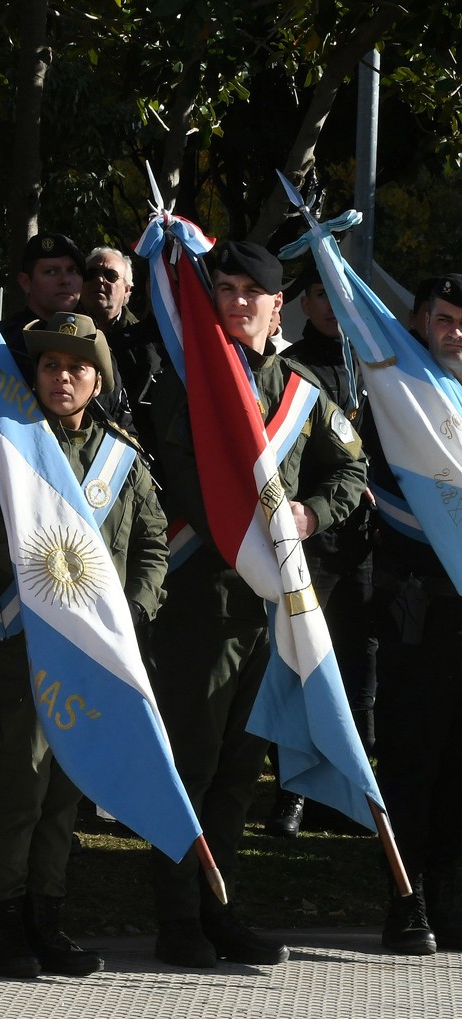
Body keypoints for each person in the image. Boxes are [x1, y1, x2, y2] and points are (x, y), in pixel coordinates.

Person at [146, 241, 366, 969]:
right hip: (204, 599)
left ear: (278, 305)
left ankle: (220, 908)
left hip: (273, 608)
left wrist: (309, 514)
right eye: (226, 288)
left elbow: (349, 464)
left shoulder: (302, 389)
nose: (237, 302)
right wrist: (247, 537)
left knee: (240, 768)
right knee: (191, 761)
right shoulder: (190, 384)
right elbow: (183, 481)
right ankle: (177, 916)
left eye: (252, 292)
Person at [0, 312, 167, 978]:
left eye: (76, 367)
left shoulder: (121, 455)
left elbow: (153, 546)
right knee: (18, 786)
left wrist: (129, 611)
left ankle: (47, 920)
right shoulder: (6, 443)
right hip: (21, 642)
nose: (61, 376)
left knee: (64, 793)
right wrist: (57, 573)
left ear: (96, 378)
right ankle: (2, 924)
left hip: (94, 654)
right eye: (48, 365)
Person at [364, 273, 462, 956]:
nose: (452, 333)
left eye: (461, 321)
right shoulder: (396, 397)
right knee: (411, 760)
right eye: (440, 318)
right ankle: (406, 899)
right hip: (417, 607)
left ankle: (451, 895)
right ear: (417, 322)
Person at [271, 268, 377, 837]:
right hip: (307, 534)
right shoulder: (291, 369)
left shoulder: (375, 364)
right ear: (303, 305)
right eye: (320, 295)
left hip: (361, 541)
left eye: (339, 295)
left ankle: (355, 794)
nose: (332, 306)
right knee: (301, 664)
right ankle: (293, 794)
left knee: (357, 669)